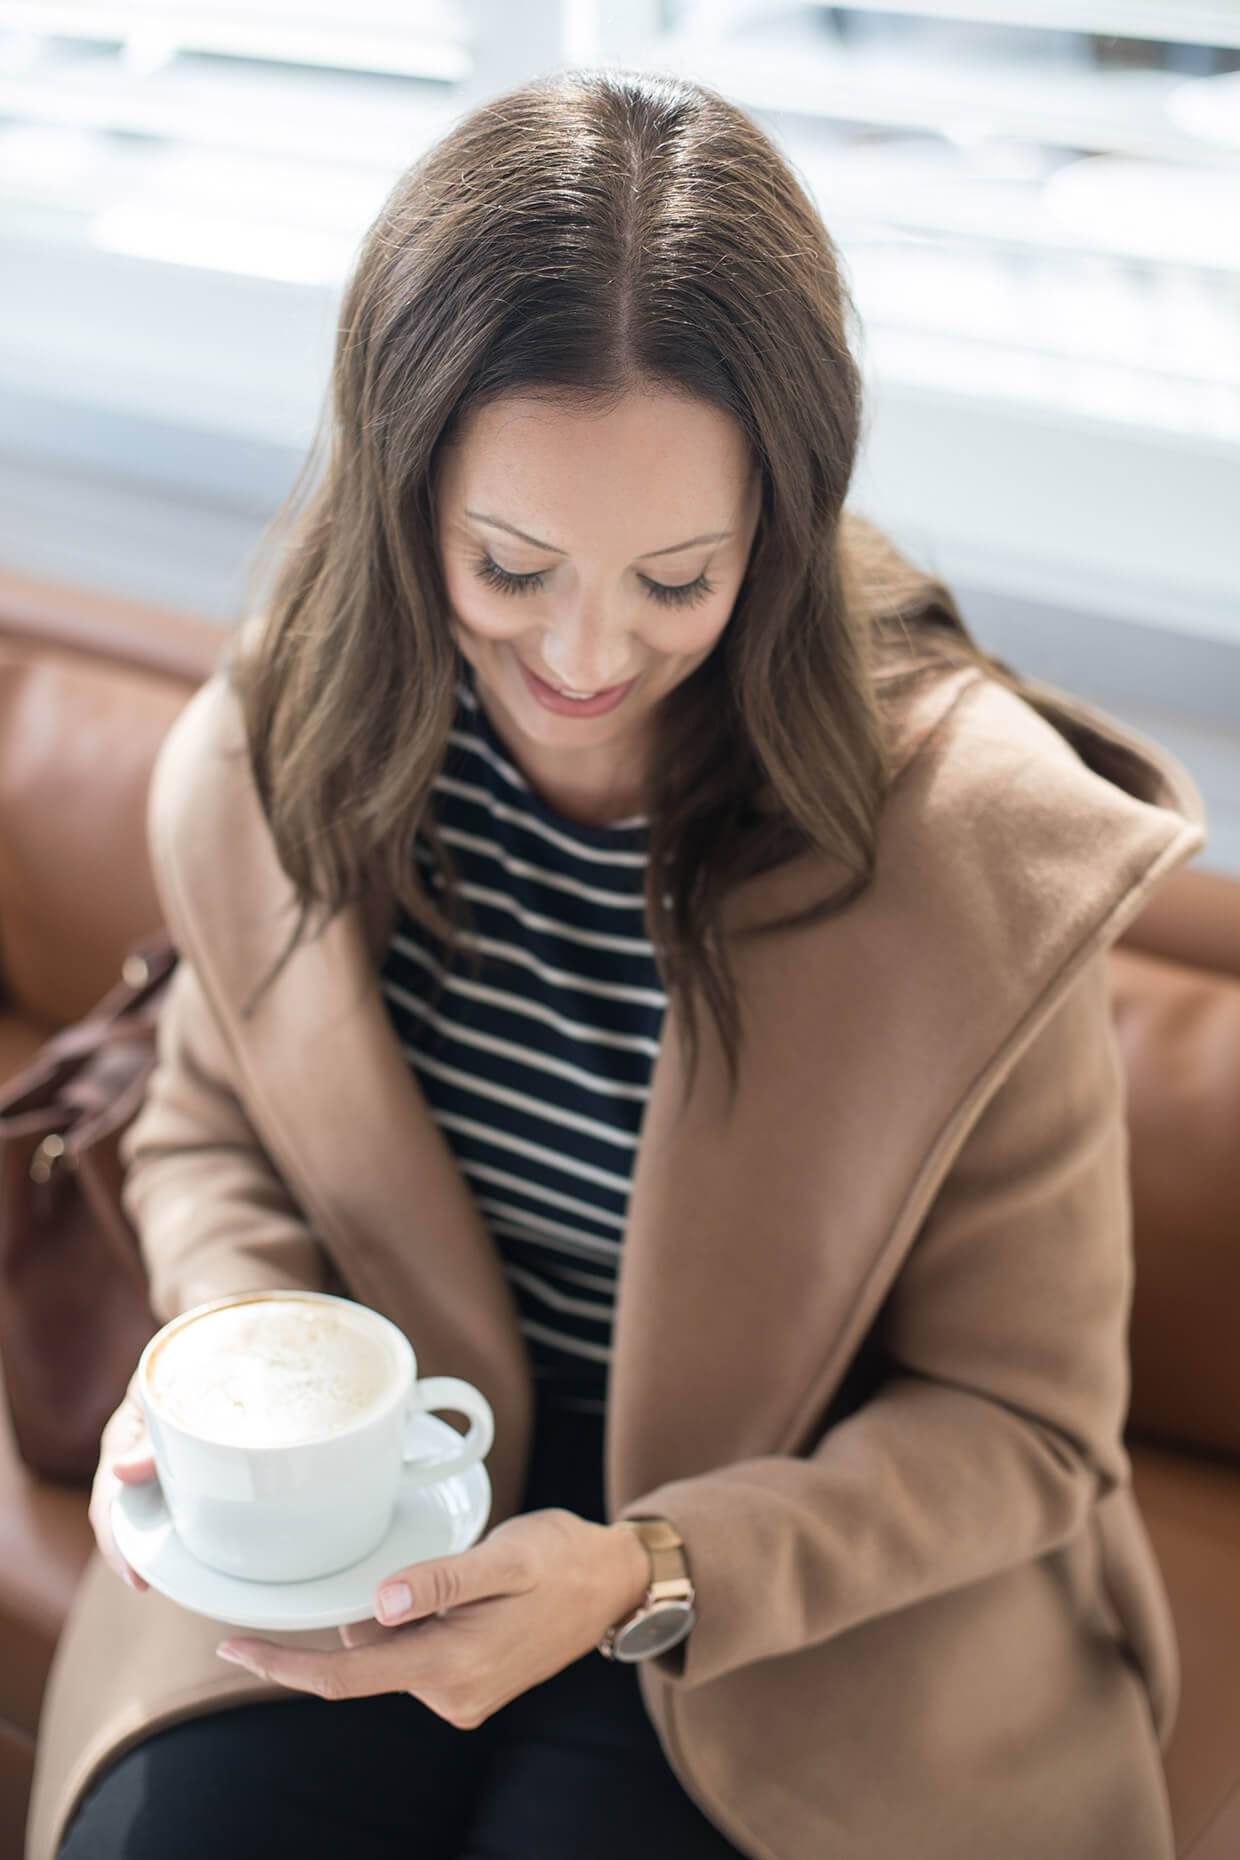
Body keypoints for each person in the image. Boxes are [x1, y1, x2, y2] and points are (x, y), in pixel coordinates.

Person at [27, 64, 1206, 1860]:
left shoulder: (976, 858)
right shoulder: (297, 735)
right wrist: (232, 1367)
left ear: (784, 534)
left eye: (680, 578)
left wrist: (653, 1571)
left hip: (797, 1595)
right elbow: (206, 1131)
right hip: (388, 1488)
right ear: (401, 485)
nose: (584, 655)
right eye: (510, 563)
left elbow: (1024, 1426)